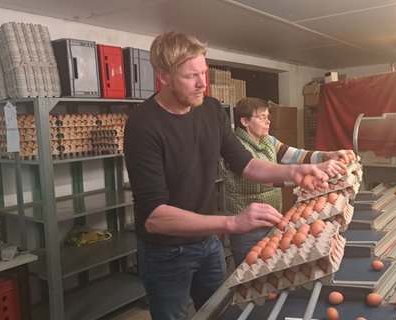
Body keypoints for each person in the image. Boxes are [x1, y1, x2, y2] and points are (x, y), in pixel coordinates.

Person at [123, 32, 346, 320]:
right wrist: (233, 222)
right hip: (166, 252)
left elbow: (247, 164)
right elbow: (155, 217)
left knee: (221, 311)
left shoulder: (211, 110)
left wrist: (295, 170)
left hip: (207, 242)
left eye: (204, 72)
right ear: (163, 76)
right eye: (192, 76)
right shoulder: (144, 125)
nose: (203, 83)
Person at [221, 97, 355, 265]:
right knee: (251, 271)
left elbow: (297, 155)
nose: (268, 121)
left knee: (269, 266)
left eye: (268, 116)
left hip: (272, 219)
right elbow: (265, 181)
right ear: (245, 122)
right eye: (261, 117)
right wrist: (305, 177)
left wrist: (326, 155)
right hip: (248, 228)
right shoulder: (235, 148)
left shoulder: (268, 140)